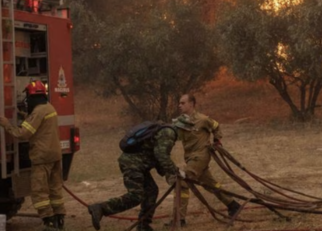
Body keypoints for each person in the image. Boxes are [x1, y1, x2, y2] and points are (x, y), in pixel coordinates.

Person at [87, 123, 179, 231]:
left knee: (151, 191)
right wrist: (175, 172)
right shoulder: (169, 133)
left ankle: (143, 226)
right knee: (136, 195)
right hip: (132, 164)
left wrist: (169, 174)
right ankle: (101, 208)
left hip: (139, 164)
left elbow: (156, 156)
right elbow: (161, 155)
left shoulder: (164, 131)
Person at [0, 81, 65, 230]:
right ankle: (59, 219)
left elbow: (23, 134)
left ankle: (48, 221)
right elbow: (37, 121)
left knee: (39, 192)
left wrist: (6, 124)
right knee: (55, 189)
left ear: (31, 96)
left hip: (42, 157)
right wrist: (22, 114)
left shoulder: (38, 112)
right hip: (55, 155)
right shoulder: (49, 107)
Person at [171, 94, 241, 226]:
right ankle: (233, 205)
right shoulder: (180, 122)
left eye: (183, 103)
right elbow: (173, 135)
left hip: (201, 156)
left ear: (191, 104)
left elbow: (216, 126)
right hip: (190, 158)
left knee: (182, 181)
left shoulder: (203, 119)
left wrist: (217, 140)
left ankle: (179, 220)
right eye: (179, 103)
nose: (179, 105)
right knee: (211, 184)